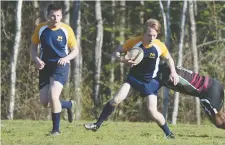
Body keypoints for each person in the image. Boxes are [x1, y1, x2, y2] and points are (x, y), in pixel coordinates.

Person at [84, 19, 179, 139]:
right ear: (144, 33)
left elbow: (169, 59)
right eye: (149, 35)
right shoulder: (134, 42)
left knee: (152, 111)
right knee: (116, 100)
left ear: (157, 35)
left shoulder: (159, 46)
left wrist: (173, 72)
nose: (151, 38)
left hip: (150, 82)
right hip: (133, 79)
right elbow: (116, 52)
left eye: (154, 35)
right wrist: (123, 59)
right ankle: (97, 125)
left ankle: (168, 133)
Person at [156, 62, 225, 141]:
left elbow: (149, 88)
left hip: (207, 92)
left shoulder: (161, 75)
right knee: (222, 115)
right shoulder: (167, 66)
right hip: (213, 83)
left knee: (220, 122)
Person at [30, 4, 78, 136]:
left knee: (53, 96)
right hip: (45, 67)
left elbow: (75, 51)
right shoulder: (41, 28)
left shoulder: (66, 30)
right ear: (47, 16)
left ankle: (56, 130)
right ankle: (68, 105)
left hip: (60, 67)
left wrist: (66, 58)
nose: (55, 18)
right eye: (52, 15)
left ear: (61, 16)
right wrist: (36, 59)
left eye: (58, 15)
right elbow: (33, 48)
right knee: (45, 102)